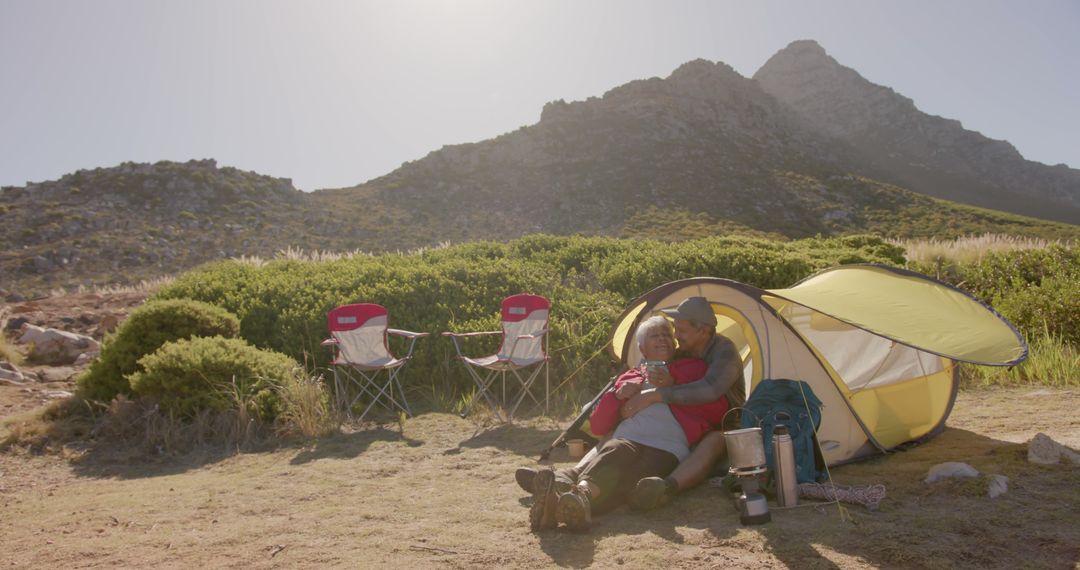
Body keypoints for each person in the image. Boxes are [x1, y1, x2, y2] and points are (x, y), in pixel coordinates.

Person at [529, 315, 728, 531]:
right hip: (628, 437)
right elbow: (598, 427)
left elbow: (717, 409)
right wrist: (616, 396)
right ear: (643, 349)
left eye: (667, 335)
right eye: (655, 336)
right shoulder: (631, 376)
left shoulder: (693, 368)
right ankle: (581, 494)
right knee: (615, 452)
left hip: (667, 446)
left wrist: (675, 383)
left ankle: (556, 507)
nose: (663, 339)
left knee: (633, 481)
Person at [622, 296, 746, 510]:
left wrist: (656, 395)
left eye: (682, 331)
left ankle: (665, 488)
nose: (676, 336)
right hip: (686, 420)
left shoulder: (725, 351)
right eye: (675, 329)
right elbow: (648, 367)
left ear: (704, 332)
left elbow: (710, 390)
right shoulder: (683, 351)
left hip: (723, 424)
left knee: (714, 441)